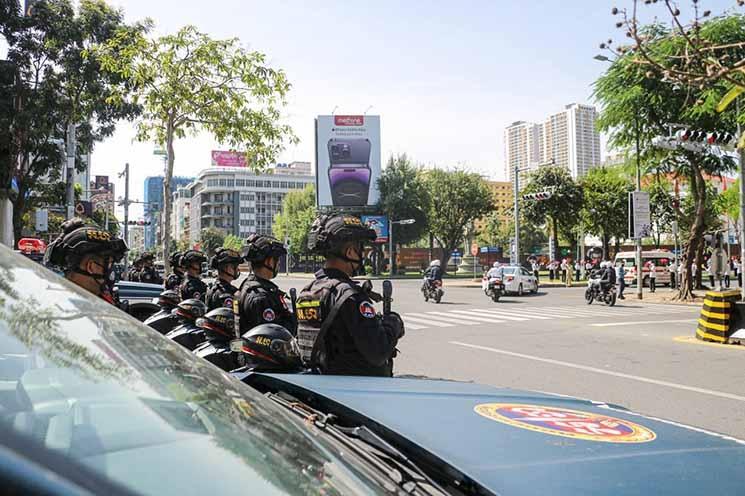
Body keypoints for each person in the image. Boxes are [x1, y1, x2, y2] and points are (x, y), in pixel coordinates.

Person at [295, 214, 405, 376]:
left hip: (321, 387)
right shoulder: (350, 296)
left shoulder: (309, 291)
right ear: (350, 252)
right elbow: (378, 352)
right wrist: (392, 325)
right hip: (355, 391)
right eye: (360, 249)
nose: (362, 255)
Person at [44, 218, 128, 306]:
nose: (111, 270)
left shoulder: (55, 302)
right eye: (109, 263)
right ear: (91, 267)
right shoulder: (80, 312)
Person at [236, 233, 295, 334]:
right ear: (268, 262)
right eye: (276, 259)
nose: (279, 263)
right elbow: (274, 335)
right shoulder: (261, 297)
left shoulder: (247, 285)